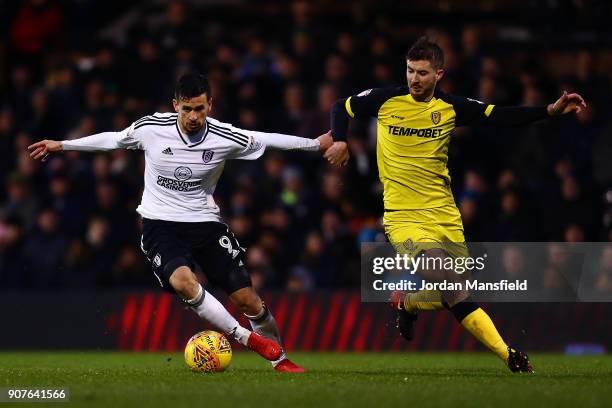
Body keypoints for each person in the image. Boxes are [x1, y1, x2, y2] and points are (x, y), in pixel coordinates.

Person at [29, 73, 333, 373]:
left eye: (199, 108)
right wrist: (62, 145)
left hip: (205, 225)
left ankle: (279, 360)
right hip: (160, 225)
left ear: (210, 105)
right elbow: (113, 140)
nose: (192, 116)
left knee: (249, 302)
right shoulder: (151, 128)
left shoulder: (224, 136)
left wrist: (314, 145)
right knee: (184, 283)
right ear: (175, 105)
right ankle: (248, 339)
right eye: (186, 108)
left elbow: (267, 139)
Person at [326, 37, 586, 373]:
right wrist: (341, 138)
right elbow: (340, 107)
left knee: (455, 291)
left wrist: (548, 111)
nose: (414, 79)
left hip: (445, 216)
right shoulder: (386, 100)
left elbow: (500, 116)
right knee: (447, 278)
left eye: (422, 72)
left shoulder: (451, 108)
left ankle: (409, 303)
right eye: (410, 71)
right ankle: (509, 355)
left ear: (439, 74)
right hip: (403, 218)